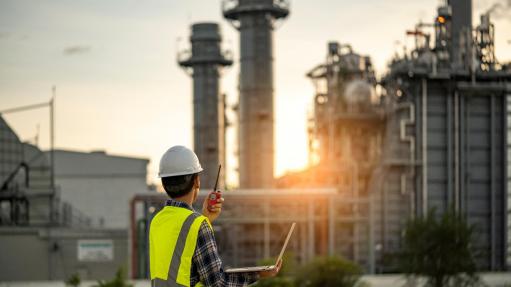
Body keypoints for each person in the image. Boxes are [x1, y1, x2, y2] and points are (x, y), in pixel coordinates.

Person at [150, 145, 281, 287]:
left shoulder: (157, 221)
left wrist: (204, 218)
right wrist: (258, 274)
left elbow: (181, 268)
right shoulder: (198, 226)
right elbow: (218, 283)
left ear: (163, 183)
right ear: (196, 181)